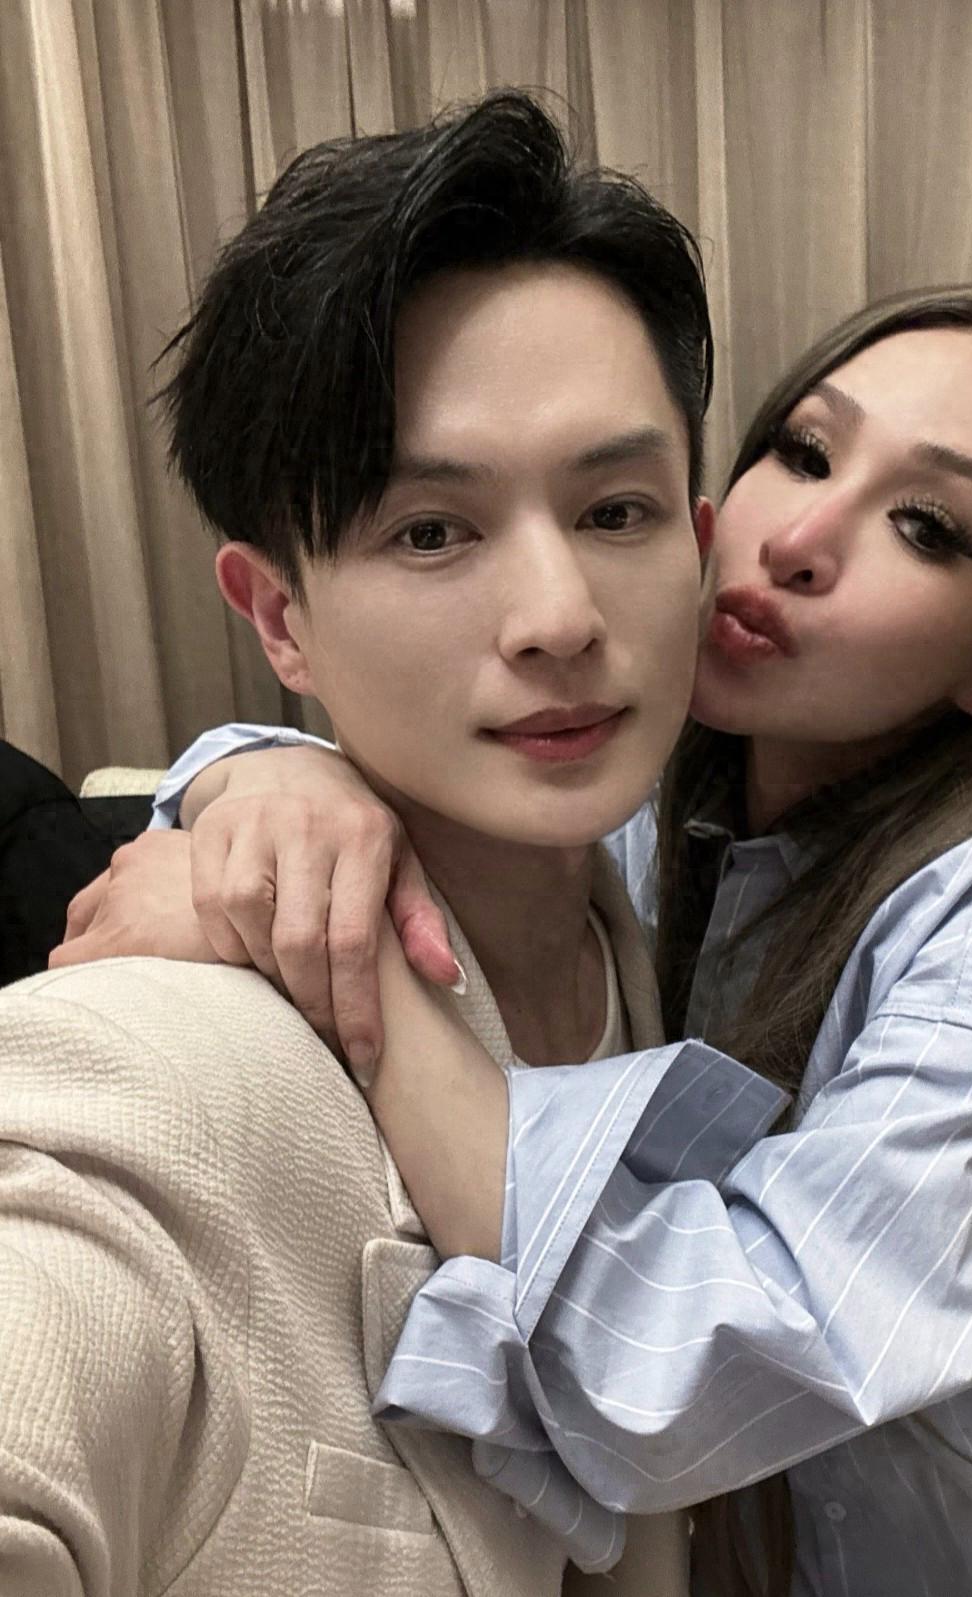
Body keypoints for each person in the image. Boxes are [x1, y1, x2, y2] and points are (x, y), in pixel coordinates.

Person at [79, 283, 972, 1597]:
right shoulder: (670, 811)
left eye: (925, 526)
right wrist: (269, 781)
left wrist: (358, 979)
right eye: (805, 451)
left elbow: (684, 1365)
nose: (797, 539)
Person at [0, 90, 725, 1595]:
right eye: (431, 532)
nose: (559, 619)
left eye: (616, 510)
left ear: (702, 541)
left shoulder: (675, 930)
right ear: (279, 617)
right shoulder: (145, 1069)